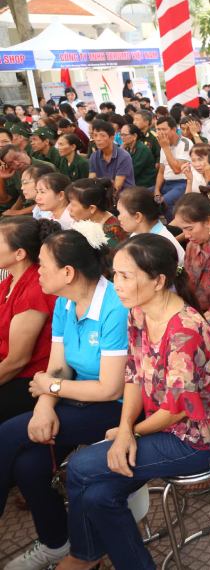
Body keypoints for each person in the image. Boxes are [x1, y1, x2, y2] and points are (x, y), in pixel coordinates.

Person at [59, 234, 210, 570]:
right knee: (98, 496)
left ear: (159, 281)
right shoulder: (138, 313)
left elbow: (176, 410)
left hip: (198, 439)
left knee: (81, 467)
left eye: (126, 276)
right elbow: (133, 376)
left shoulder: (184, 331)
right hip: (162, 428)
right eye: (115, 274)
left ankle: (82, 558)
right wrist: (125, 428)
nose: (116, 284)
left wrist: (132, 433)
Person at [0, 226, 128, 570]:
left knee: (7, 436)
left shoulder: (114, 306)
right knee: (28, 467)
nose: (37, 271)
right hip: (76, 399)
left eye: (42, 265)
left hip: (118, 409)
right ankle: (56, 543)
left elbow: (110, 388)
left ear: (68, 272)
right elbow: (58, 366)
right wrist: (44, 406)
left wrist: (50, 389)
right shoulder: (64, 302)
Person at [0, 217, 60, 423]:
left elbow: (17, 360)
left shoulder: (34, 289)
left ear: (19, 254)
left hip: (29, 379)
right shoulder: (9, 281)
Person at [170, 192, 210, 317]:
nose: (186, 235)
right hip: (191, 311)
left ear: (208, 221)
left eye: (190, 229)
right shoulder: (192, 245)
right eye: (183, 229)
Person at [115, 186, 185, 262]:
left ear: (138, 216)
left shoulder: (160, 245)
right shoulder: (137, 233)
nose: (118, 218)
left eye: (120, 213)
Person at [66, 178, 128, 246]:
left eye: (73, 204)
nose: (68, 208)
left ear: (92, 208)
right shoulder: (82, 220)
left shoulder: (113, 231)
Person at [87, 121, 134, 192]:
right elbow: (91, 181)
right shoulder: (94, 156)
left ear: (112, 138)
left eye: (102, 135)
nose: (98, 139)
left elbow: (117, 187)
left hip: (124, 196)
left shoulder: (124, 156)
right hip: (102, 193)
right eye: (95, 135)